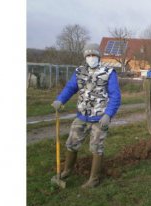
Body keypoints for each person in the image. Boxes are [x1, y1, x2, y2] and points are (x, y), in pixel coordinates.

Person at [51, 43, 121, 188]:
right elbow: (71, 87)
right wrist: (60, 100)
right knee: (71, 144)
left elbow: (115, 95)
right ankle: (67, 171)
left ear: (98, 56)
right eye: (88, 55)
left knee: (96, 147)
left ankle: (94, 179)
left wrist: (108, 114)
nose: (91, 57)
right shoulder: (79, 71)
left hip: (100, 118)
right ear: (85, 57)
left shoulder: (108, 72)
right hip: (81, 116)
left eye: (93, 55)